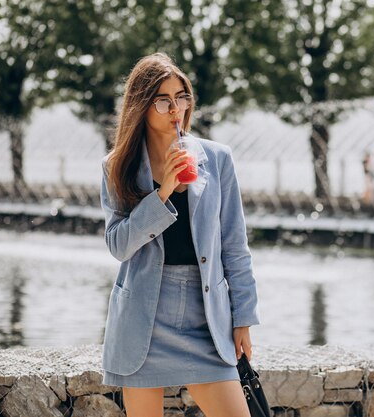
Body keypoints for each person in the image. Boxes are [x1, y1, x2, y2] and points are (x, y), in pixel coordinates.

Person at [99, 52, 260, 417]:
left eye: (182, 96)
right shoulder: (118, 167)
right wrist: (163, 191)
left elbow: (235, 246)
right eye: (163, 100)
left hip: (206, 316)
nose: (176, 108)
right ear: (142, 105)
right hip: (143, 319)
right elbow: (119, 245)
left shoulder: (217, 159)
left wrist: (243, 318)